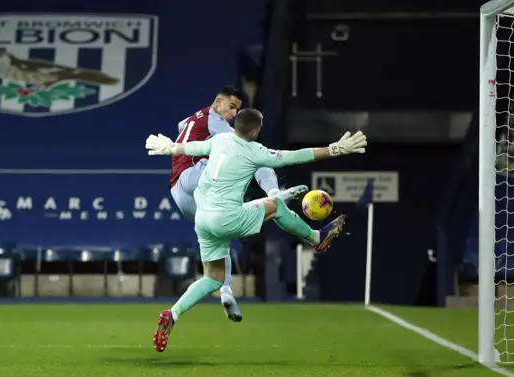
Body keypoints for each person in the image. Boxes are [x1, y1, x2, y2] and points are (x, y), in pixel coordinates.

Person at [145, 108, 368, 352]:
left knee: (212, 278)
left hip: (203, 218)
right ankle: (317, 238)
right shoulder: (255, 151)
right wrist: (336, 149)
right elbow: (296, 156)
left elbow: (191, 148)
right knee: (277, 206)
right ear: (254, 130)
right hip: (227, 218)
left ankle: (172, 314)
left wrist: (168, 147)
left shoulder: (219, 140)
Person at [168, 86, 306, 322]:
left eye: (237, 109)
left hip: (179, 191)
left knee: (221, 232)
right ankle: (274, 193)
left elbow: (182, 126)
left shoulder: (196, 117)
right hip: (192, 178)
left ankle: (225, 290)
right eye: (231, 107)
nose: (233, 113)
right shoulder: (217, 122)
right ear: (218, 103)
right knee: (249, 156)